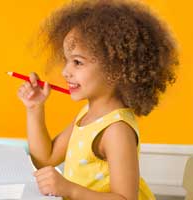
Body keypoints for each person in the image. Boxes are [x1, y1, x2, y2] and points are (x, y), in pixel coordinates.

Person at [17, 0, 179, 199]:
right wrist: (35, 108)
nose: (65, 71)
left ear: (114, 69)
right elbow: (46, 159)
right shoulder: (88, 114)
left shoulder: (116, 130)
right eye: (67, 61)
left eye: (77, 62)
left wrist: (69, 190)